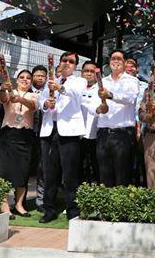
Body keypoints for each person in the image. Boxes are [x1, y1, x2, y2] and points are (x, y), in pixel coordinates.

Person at [38, 51, 88, 222]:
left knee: (69, 174)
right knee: (49, 174)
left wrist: (60, 88)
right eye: (64, 60)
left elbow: (76, 94)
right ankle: (49, 210)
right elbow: (41, 100)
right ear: (59, 63)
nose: (67, 63)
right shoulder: (52, 81)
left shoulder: (79, 81)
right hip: (49, 130)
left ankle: (72, 210)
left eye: (71, 61)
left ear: (75, 66)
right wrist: (46, 103)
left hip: (69, 132)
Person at [95, 50, 141, 187]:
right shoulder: (102, 81)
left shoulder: (132, 81)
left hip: (123, 133)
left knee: (123, 175)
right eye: (113, 58)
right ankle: (106, 201)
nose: (115, 61)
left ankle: (121, 201)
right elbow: (94, 105)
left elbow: (130, 98)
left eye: (119, 59)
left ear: (125, 63)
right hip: (103, 133)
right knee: (104, 175)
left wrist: (110, 95)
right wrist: (99, 108)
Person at [0, 69, 37, 218]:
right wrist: (3, 89)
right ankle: (4, 205)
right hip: (9, 134)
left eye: (28, 78)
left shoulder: (34, 95)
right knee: (6, 171)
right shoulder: (10, 91)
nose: (25, 80)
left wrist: (20, 99)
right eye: (22, 77)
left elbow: (33, 106)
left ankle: (19, 205)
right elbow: (3, 100)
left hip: (26, 135)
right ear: (17, 79)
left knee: (23, 171)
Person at [126, 57, 148, 186]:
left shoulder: (145, 87)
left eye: (132, 66)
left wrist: (139, 125)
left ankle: (144, 190)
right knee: (127, 162)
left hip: (142, 127)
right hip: (124, 128)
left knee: (143, 161)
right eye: (126, 66)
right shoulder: (117, 85)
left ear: (137, 69)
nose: (129, 68)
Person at [79, 61, 100, 183]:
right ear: (81, 73)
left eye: (92, 71)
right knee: (79, 164)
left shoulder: (100, 89)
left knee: (94, 163)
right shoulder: (76, 87)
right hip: (77, 133)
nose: (89, 74)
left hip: (94, 132)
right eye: (86, 71)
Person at [30, 65, 48, 212]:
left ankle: (41, 201)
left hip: (44, 134)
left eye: (43, 76)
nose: (40, 78)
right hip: (27, 134)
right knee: (25, 168)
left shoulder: (49, 92)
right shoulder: (25, 90)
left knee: (43, 168)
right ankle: (19, 200)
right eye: (37, 75)